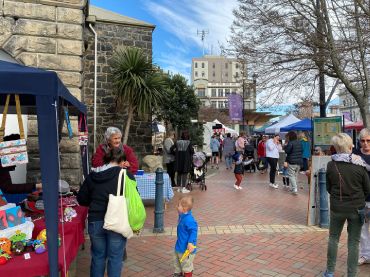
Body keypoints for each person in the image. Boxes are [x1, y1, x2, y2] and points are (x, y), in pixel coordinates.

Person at [77, 148, 132, 277]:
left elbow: (82, 199)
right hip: (117, 221)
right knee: (115, 258)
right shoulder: (125, 175)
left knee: (98, 256)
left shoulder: (92, 175)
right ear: (121, 161)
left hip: (95, 220)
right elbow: (134, 199)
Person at [323, 133, 370, 277]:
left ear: (336, 147)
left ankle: (330, 271)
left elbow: (328, 188)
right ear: (350, 146)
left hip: (337, 207)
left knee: (333, 238)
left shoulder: (331, 165)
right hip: (356, 208)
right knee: (354, 242)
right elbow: (367, 188)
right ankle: (351, 274)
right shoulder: (360, 165)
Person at [352, 128, 370, 266]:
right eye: (363, 141)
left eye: (368, 140)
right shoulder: (355, 155)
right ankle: (365, 255)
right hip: (361, 198)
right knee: (362, 228)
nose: (365, 144)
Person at [173, 195, 198, 277]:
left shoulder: (189, 220)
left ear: (184, 208)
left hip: (186, 249)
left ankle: (187, 274)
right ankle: (178, 273)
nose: (176, 207)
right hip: (179, 246)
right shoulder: (182, 215)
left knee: (186, 265)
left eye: (178, 205)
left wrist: (191, 243)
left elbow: (194, 231)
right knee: (177, 261)